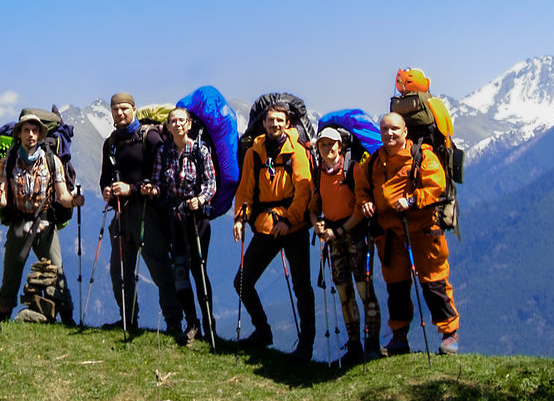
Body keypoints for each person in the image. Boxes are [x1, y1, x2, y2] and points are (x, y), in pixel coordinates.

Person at [355, 112, 460, 355]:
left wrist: (412, 201)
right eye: (384, 130)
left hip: (422, 231)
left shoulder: (422, 157)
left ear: (405, 132)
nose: (389, 134)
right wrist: (365, 202)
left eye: (394, 129)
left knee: (434, 283)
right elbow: (362, 189)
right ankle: (399, 336)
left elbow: (437, 185)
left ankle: (449, 334)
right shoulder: (373, 162)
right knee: (397, 287)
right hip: (390, 235)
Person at [231, 103, 316, 358]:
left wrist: (288, 221)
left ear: (287, 123)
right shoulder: (253, 154)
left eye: (279, 120)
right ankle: (263, 331)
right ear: (264, 123)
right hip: (266, 225)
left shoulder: (297, 152)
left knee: (302, 287)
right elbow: (245, 190)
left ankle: (306, 345)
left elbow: (304, 192)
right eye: (271, 121)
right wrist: (239, 218)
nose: (275, 125)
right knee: (242, 282)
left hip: (294, 226)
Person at [0, 109, 85, 322]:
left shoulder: (53, 162)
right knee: (11, 274)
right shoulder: (7, 161)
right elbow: (4, 200)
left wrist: (75, 201)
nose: (31, 135)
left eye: (34, 131)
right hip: (18, 222)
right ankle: (4, 317)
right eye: (26, 130)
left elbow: (62, 197)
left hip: (45, 223)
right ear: (19, 134)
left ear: (41, 135)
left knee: (56, 273)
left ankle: (67, 317)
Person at [99, 92, 177, 332]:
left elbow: (162, 177)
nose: (120, 113)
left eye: (124, 108)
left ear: (134, 109)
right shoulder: (110, 143)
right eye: (116, 109)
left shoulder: (149, 138)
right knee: (119, 271)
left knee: (159, 269)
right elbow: (104, 177)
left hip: (147, 214)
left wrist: (130, 189)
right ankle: (128, 320)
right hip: (121, 215)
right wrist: (106, 190)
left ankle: (174, 323)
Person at [143, 106, 217, 344]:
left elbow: (210, 183)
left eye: (181, 120)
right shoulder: (163, 152)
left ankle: (208, 325)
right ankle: (192, 322)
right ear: (167, 126)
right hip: (174, 219)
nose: (177, 124)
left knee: (199, 270)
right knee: (180, 272)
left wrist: (200, 199)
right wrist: (151, 190)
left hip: (196, 220)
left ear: (189, 125)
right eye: (173, 121)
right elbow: (158, 183)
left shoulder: (200, 150)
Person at [311, 127, 382, 363]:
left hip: (355, 236)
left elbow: (361, 207)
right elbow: (314, 206)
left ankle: (371, 344)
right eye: (323, 145)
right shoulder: (318, 173)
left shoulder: (353, 168)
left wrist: (338, 230)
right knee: (343, 292)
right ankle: (354, 346)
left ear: (340, 146)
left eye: (332, 144)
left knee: (364, 291)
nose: (327, 148)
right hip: (333, 238)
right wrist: (317, 224)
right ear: (318, 148)